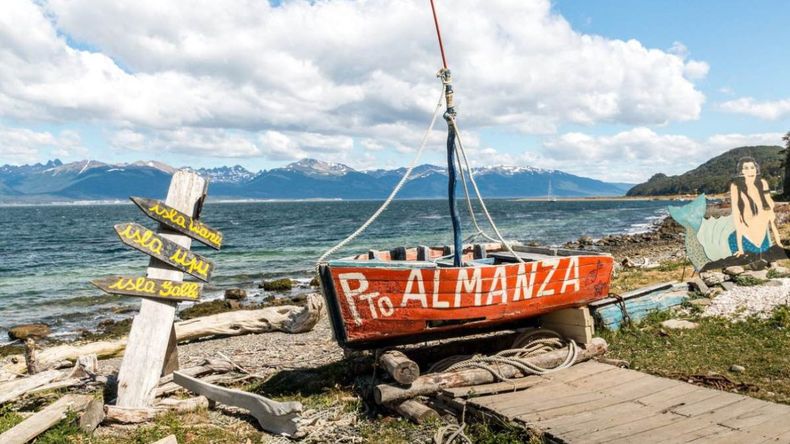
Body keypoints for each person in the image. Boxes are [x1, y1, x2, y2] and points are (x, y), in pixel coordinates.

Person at [729, 157, 782, 256]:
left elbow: (771, 217)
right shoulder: (735, 187)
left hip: (762, 236)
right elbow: (736, 218)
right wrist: (740, 248)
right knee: (745, 260)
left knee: (762, 257)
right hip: (744, 236)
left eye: (752, 167)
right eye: (746, 168)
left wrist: (778, 242)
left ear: (756, 169)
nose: (750, 171)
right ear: (741, 172)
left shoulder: (762, 184)